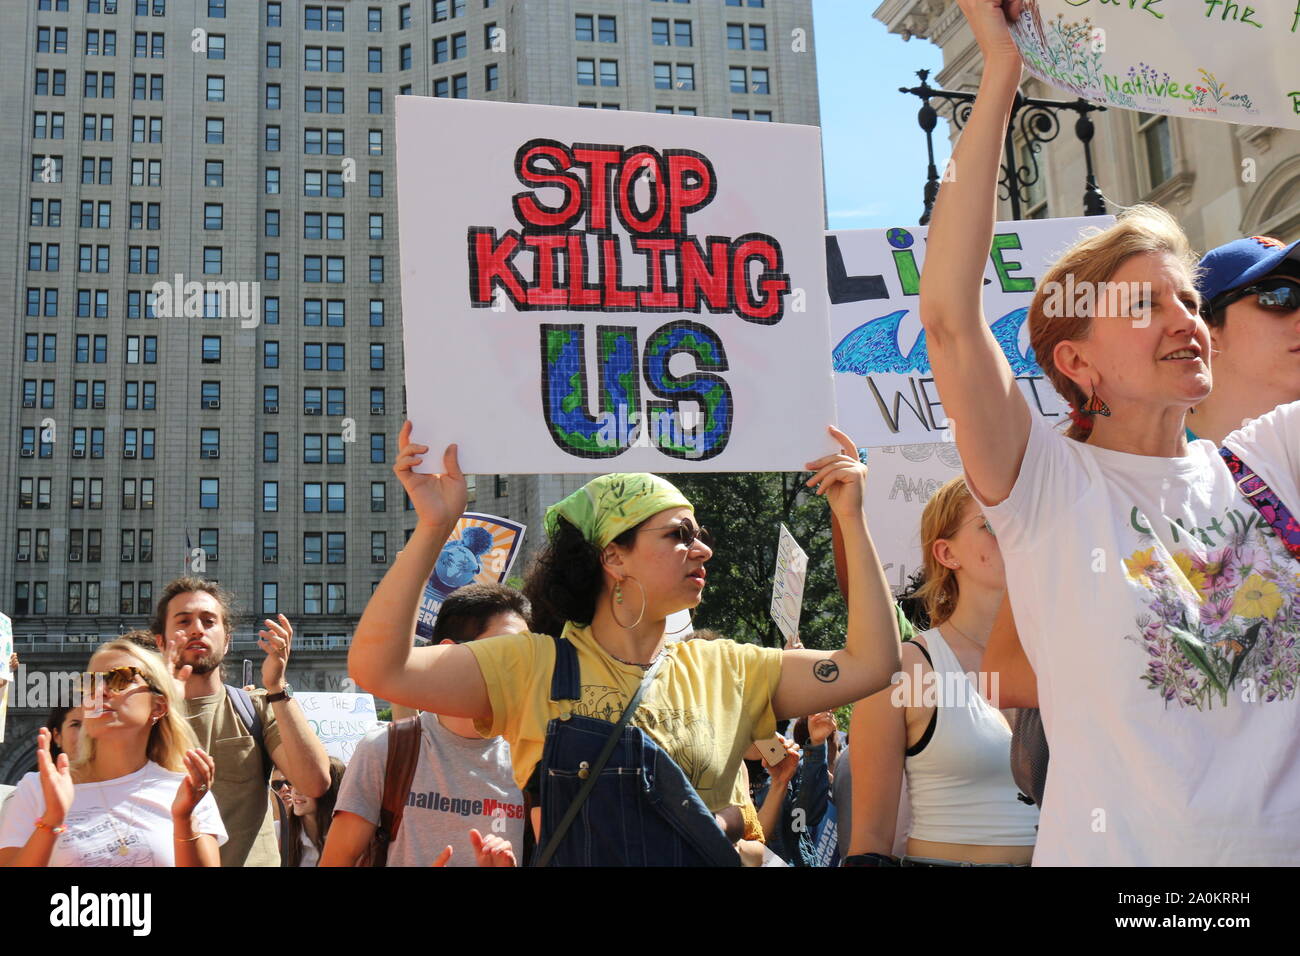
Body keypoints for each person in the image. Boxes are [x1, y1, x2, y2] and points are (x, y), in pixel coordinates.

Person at [921, 0, 1300, 865]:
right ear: (1077, 362)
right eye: (1144, 305)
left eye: (1192, 303)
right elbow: (947, 317)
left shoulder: (1273, 460)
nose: (1186, 323)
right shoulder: (1045, 485)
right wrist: (1001, 72)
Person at [347, 421, 901, 866]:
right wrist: (435, 526)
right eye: (678, 535)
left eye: (700, 536)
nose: (702, 550)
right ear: (613, 557)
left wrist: (850, 516)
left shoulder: (732, 666)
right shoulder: (529, 664)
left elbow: (874, 664)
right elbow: (380, 669)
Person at [983, 236, 1300, 804]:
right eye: (1279, 297)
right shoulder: (1084, 485)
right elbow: (1002, 668)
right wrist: (1210, 679)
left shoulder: (1276, 459)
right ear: (1216, 333)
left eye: (1186, 303)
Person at [846, 478, 1038, 866]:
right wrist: (848, 515)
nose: (1015, 531)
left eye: (1023, 519)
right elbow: (868, 843)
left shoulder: (1069, 658)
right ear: (947, 553)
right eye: (991, 524)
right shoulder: (901, 669)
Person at [322, 583, 531, 867]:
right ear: (450, 655)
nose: (521, 669)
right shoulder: (385, 750)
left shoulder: (534, 759)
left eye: (528, 656)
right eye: (506, 653)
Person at [152, 577, 331, 867]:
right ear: (161, 642)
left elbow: (314, 783)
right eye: (183, 622)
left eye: (209, 622)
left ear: (227, 641)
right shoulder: (142, 717)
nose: (197, 629)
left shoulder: (257, 707)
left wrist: (277, 685)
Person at [0, 639, 226, 866]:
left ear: (158, 706)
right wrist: (51, 821)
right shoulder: (37, 789)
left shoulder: (186, 792)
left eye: (121, 678)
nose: (100, 692)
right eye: (90, 683)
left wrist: (184, 819)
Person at [281, 758, 346, 867]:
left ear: (331, 789)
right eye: (294, 782)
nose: (296, 791)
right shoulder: (278, 833)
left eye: (307, 783)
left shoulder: (354, 837)